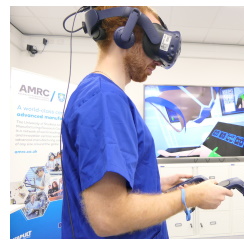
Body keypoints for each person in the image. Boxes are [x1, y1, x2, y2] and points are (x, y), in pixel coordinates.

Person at [61, 6, 233, 239]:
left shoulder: (104, 95)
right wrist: (190, 197)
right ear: (125, 33)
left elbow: (101, 186)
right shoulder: (105, 99)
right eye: (154, 40)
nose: (159, 61)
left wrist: (151, 183)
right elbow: (109, 217)